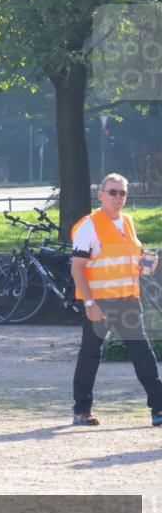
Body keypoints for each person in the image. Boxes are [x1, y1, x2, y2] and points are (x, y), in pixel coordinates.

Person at [70, 173, 162, 427]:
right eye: (112, 192)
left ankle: (159, 409)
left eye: (122, 193)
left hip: (128, 300)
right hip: (99, 301)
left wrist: (146, 264)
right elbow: (77, 268)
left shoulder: (129, 223)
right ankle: (82, 410)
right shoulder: (89, 225)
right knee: (90, 355)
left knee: (142, 353)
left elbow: (131, 258)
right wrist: (89, 304)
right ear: (100, 195)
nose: (118, 197)